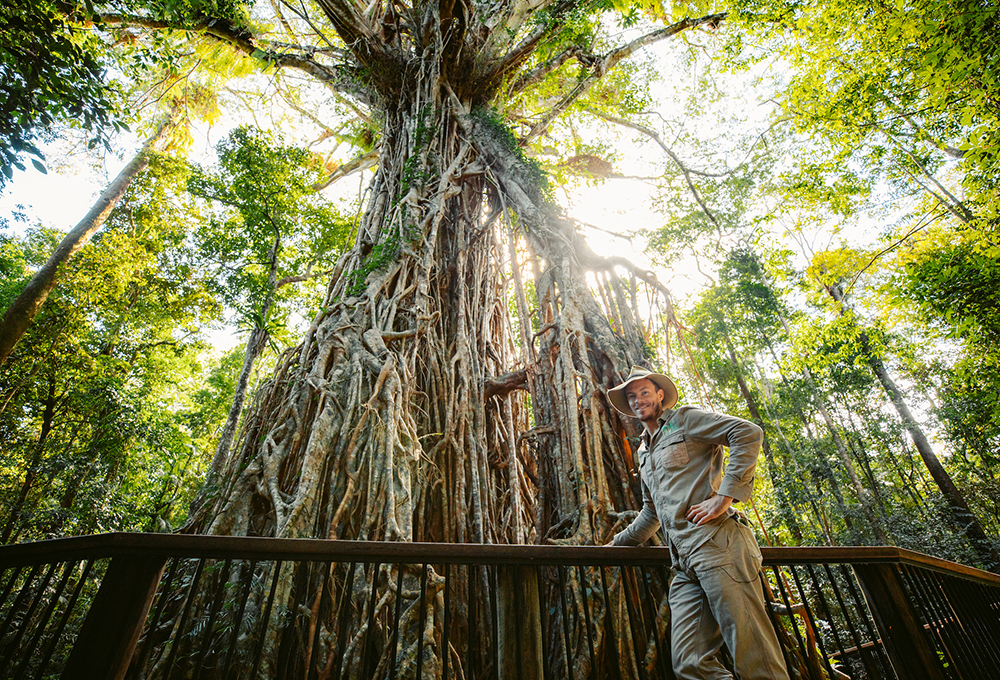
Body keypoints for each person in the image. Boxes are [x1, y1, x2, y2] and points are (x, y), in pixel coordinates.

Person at [608, 366, 789, 680]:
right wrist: (611, 548)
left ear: (660, 394)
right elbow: (651, 514)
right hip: (683, 565)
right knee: (690, 664)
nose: (639, 401)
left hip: (719, 546)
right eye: (632, 396)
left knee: (754, 657)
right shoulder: (644, 451)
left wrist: (725, 497)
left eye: (645, 393)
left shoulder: (685, 420)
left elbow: (747, 433)